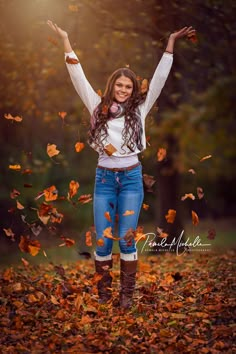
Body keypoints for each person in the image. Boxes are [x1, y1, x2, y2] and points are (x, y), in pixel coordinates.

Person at [47, 20, 195, 308]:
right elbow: (77, 75)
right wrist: (65, 41)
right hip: (104, 180)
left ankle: (126, 297)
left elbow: (161, 78)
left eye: (129, 86)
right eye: (120, 84)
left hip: (130, 179)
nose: (124, 89)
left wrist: (171, 43)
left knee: (126, 240)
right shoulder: (97, 106)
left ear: (133, 89)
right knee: (103, 242)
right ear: (112, 85)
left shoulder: (139, 109)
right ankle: (103, 296)